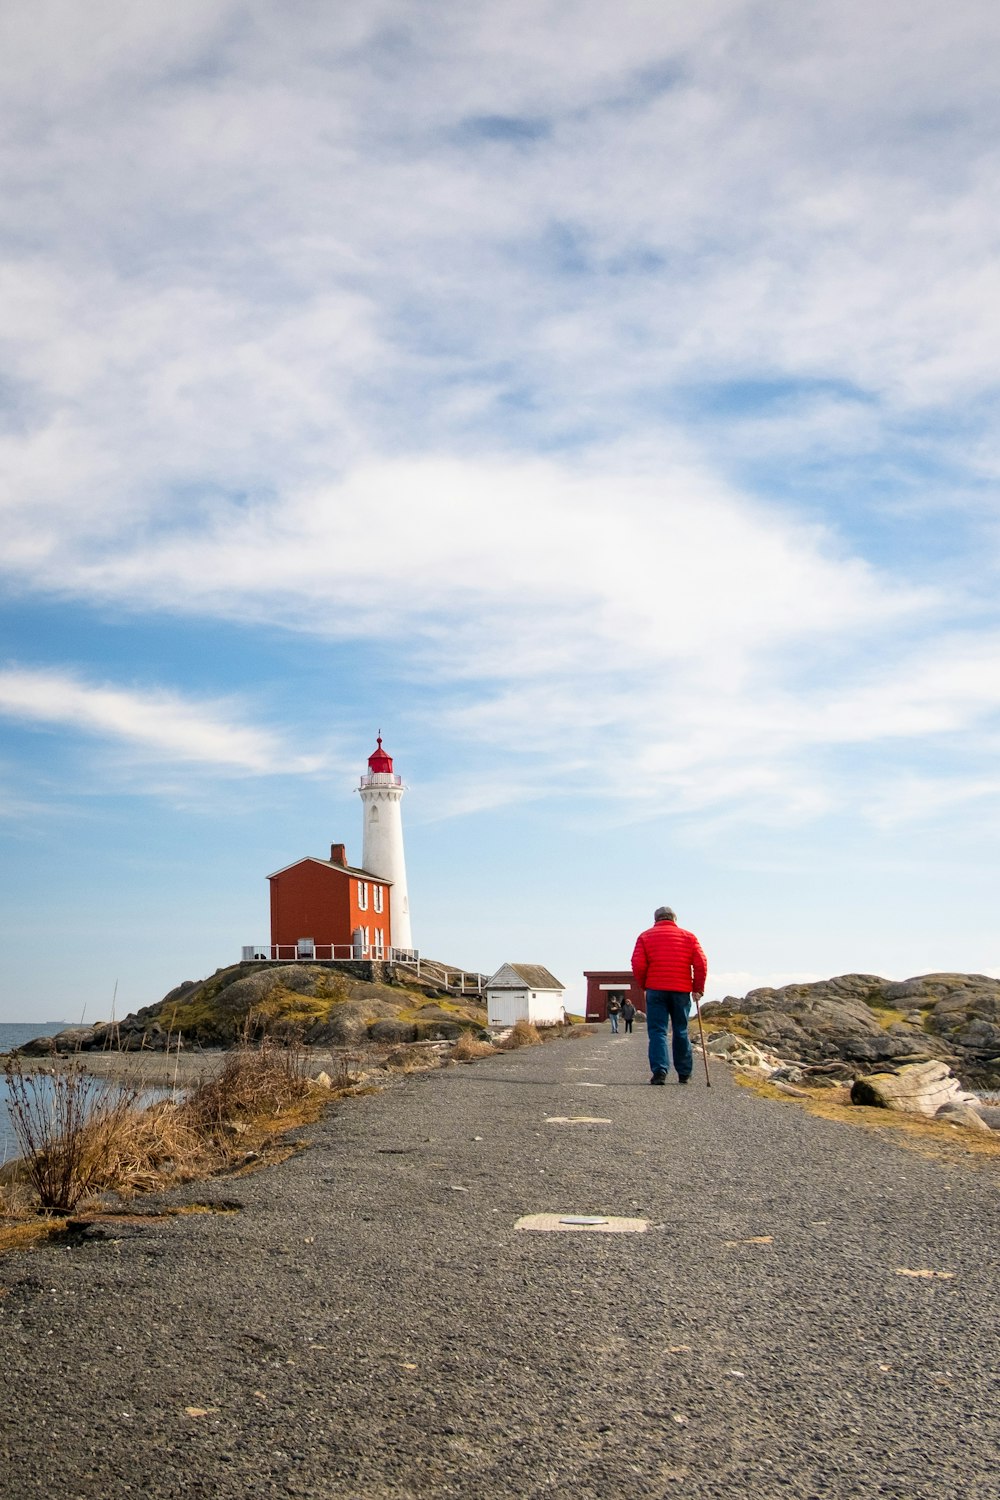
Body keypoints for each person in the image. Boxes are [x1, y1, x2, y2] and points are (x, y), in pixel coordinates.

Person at [631, 905, 707, 1086]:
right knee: (680, 1030)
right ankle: (684, 1073)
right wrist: (698, 988)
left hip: (656, 989)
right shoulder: (689, 937)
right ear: (674, 919)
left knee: (658, 1031)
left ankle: (660, 1072)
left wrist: (644, 985)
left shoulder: (645, 936)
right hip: (681, 990)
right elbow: (701, 963)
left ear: (655, 919)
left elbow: (638, 964)